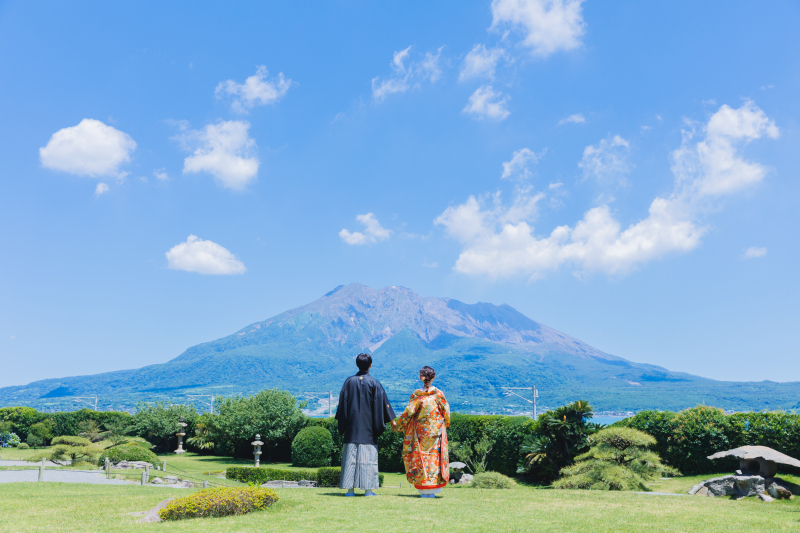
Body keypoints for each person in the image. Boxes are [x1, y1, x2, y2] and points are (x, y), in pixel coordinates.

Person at [334, 352, 396, 497]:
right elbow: (384, 403)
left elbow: (342, 406)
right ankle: (368, 490)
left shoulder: (348, 382)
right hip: (369, 430)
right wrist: (392, 420)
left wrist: (342, 424)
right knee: (368, 460)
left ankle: (350, 491)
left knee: (350, 460)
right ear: (370, 365)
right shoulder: (374, 383)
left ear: (357, 364)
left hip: (351, 429)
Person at [392, 365, 451, 498]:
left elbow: (409, 412)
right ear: (434, 377)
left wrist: (398, 425)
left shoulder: (417, 395)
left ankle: (424, 486)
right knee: (434, 458)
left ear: (421, 378)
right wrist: (445, 423)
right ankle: (433, 487)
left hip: (421, 433)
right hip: (436, 432)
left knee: (422, 457)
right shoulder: (438, 394)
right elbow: (446, 411)